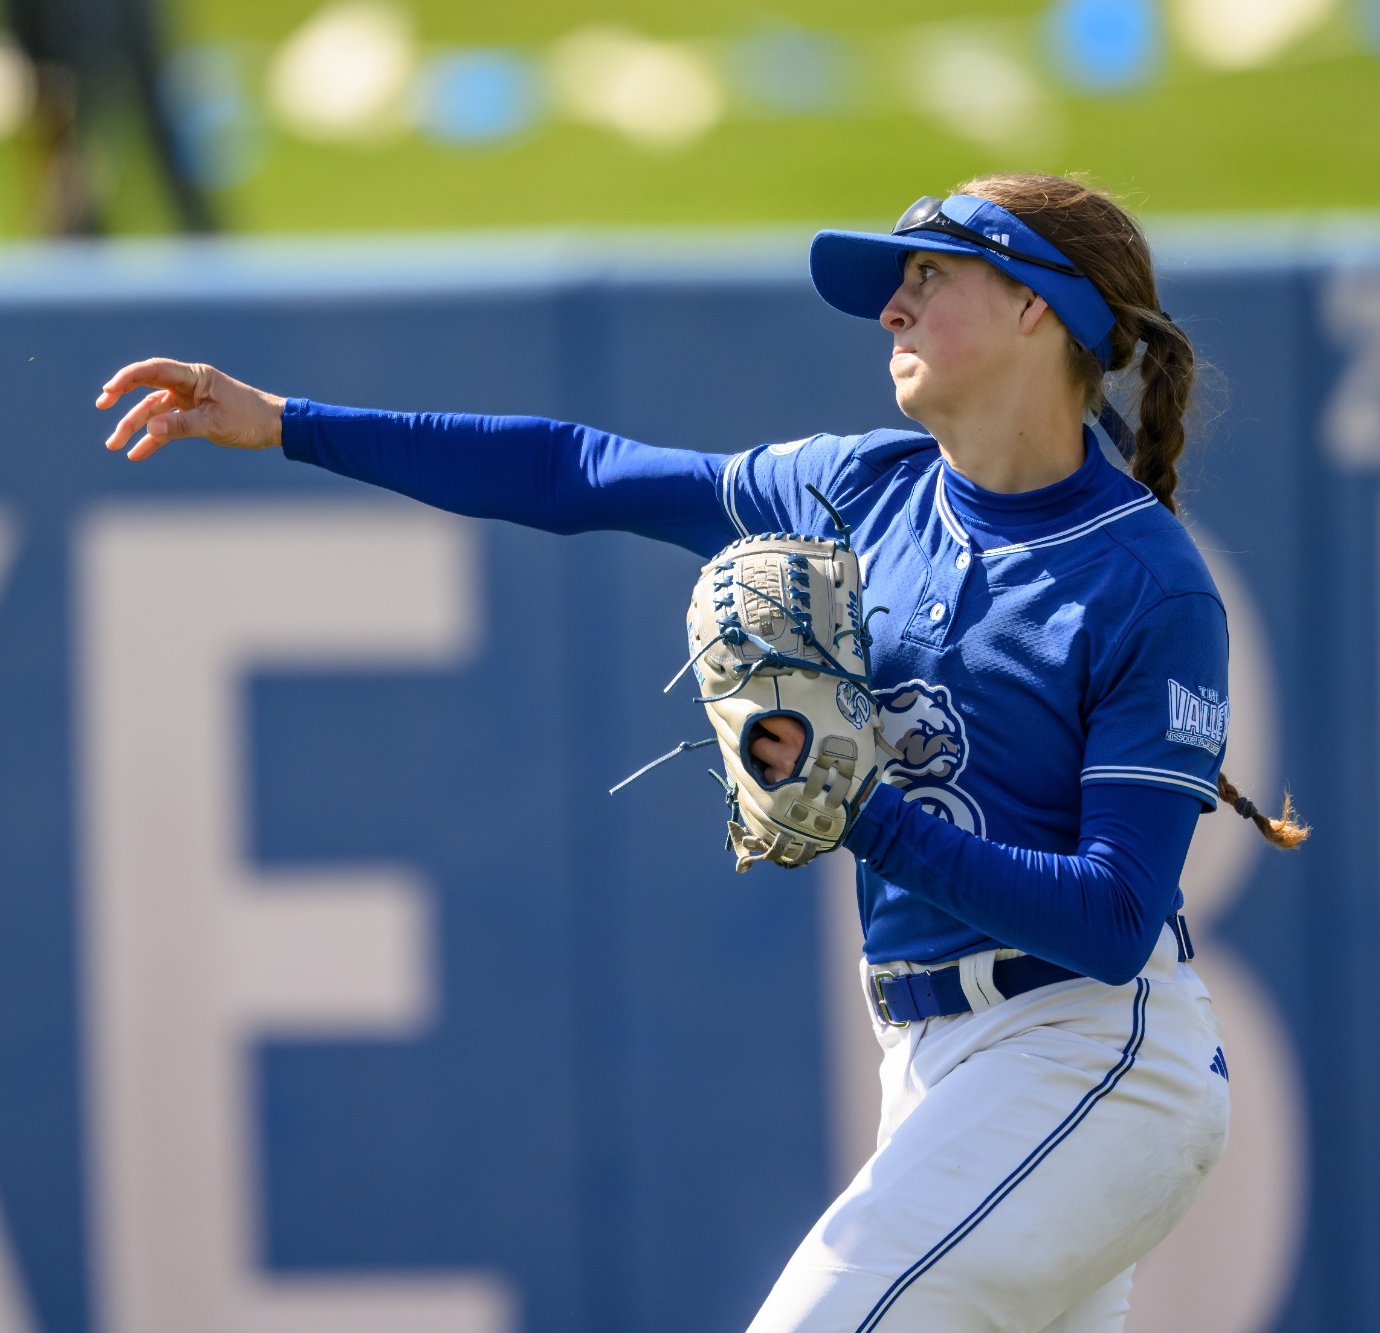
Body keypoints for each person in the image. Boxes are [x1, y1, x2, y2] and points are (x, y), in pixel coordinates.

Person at [95, 172, 1306, 1332]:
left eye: (928, 277)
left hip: (1087, 1059)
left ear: (1037, 305)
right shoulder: (854, 489)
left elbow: (1108, 919)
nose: (890, 307)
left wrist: (860, 813)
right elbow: (576, 471)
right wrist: (290, 425)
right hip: (940, 1070)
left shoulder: (1143, 580)